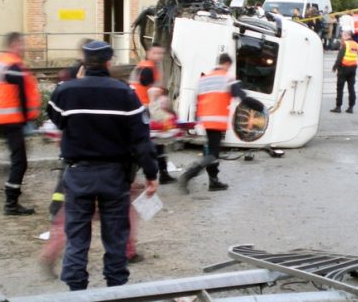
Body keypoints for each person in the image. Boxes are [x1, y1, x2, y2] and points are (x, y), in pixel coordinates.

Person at [47, 40, 158, 290]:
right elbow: (142, 141)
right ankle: (116, 289)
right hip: (114, 176)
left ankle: (76, 292)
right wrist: (152, 174)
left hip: (78, 174)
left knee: (77, 237)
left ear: (84, 63)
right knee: (116, 237)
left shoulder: (65, 92)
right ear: (109, 63)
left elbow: (57, 120)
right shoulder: (125, 93)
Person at [178, 53, 263, 194]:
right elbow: (242, 97)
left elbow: (196, 99)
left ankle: (214, 181)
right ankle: (188, 175)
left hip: (206, 121)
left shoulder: (204, 79)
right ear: (228, 64)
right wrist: (258, 107)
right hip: (217, 121)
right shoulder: (227, 78)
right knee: (213, 154)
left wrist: (196, 118)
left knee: (213, 151)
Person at [0, 32, 42, 216]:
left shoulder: (0, 60)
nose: (24, 47)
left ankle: (10, 195)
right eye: (22, 44)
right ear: (14, 44)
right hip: (11, 119)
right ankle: (11, 203)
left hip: (0, 118)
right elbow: (22, 94)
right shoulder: (13, 65)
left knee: (17, 157)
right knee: (20, 162)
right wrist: (27, 119)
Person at [128, 44, 176, 184]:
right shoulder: (148, 68)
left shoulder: (141, 66)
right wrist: (163, 106)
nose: (159, 56)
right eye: (156, 53)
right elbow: (151, 91)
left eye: (161, 53)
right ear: (148, 53)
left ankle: (163, 173)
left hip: (139, 109)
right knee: (153, 143)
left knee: (155, 143)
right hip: (146, 110)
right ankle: (158, 174)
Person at [330, 30, 358, 114]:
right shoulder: (356, 44)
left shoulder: (345, 44)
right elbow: (357, 53)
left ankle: (338, 107)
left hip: (344, 68)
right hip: (353, 68)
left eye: (342, 35)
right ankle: (351, 107)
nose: (342, 37)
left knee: (340, 88)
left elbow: (340, 57)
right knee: (351, 88)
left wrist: (335, 66)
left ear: (346, 35)